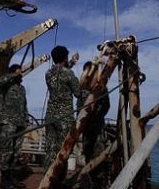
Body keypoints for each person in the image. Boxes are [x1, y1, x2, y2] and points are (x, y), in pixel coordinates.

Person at [43, 45, 81, 173]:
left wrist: (73, 62)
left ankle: (46, 180)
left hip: (50, 116)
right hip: (64, 118)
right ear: (65, 58)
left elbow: (59, 73)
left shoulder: (48, 74)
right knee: (63, 151)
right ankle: (57, 181)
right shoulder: (69, 73)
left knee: (50, 150)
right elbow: (78, 92)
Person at [0, 64, 27, 189]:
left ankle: (11, 177)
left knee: (16, 153)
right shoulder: (7, 84)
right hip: (8, 123)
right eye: (19, 72)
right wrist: (12, 75)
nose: (21, 75)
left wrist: (26, 120)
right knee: (7, 151)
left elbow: (24, 105)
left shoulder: (22, 88)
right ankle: (4, 179)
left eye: (21, 73)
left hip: (20, 124)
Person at [78, 61, 110, 187]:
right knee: (88, 153)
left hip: (97, 129)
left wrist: (96, 116)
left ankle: (98, 182)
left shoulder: (102, 88)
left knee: (98, 155)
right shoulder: (83, 90)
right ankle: (91, 180)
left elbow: (106, 106)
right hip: (86, 129)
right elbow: (79, 108)